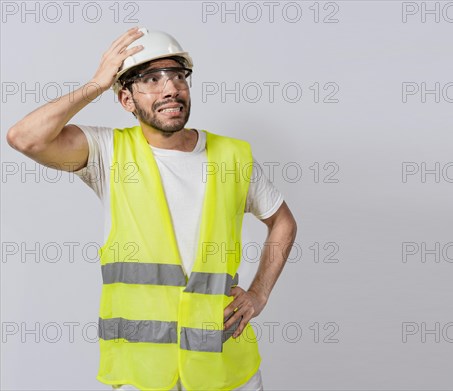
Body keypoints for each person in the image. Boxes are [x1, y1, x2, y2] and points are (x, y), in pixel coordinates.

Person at [6, 26, 297, 391]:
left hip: (225, 367)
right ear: (126, 100)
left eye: (177, 76)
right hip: (144, 372)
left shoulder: (232, 156)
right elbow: (24, 137)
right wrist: (96, 84)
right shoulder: (107, 151)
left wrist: (259, 294)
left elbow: (283, 222)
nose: (170, 88)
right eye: (151, 79)